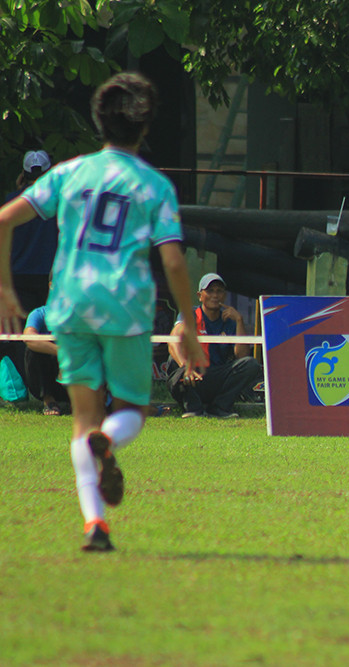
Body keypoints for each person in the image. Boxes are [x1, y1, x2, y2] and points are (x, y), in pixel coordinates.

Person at [0, 71, 207, 552]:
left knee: (81, 418)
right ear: (145, 127)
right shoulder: (154, 185)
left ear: (98, 123)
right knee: (132, 409)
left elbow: (5, 219)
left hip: (69, 304)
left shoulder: (71, 173)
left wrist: (5, 288)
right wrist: (184, 319)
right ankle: (110, 441)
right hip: (126, 306)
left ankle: (95, 525)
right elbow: (173, 259)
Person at [167, 272, 261, 419]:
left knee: (251, 364)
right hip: (192, 376)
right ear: (200, 295)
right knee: (173, 362)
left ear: (224, 295)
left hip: (216, 376)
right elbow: (173, 340)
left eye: (219, 291)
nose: (215, 295)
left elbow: (242, 356)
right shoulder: (190, 314)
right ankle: (193, 409)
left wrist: (239, 321)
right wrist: (185, 366)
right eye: (210, 291)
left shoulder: (229, 322)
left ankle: (220, 408)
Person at [0, 150, 58, 384]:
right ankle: (50, 387)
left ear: (23, 174)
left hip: (18, 277)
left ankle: (18, 385)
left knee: (17, 333)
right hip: (50, 278)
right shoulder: (56, 202)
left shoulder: (12, 201)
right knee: (48, 334)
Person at [22, 300, 70, 415]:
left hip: (77, 373)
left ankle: (80, 402)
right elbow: (28, 336)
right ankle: (49, 401)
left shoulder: (84, 313)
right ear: (51, 286)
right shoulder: (40, 313)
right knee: (34, 347)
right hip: (49, 379)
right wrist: (61, 352)